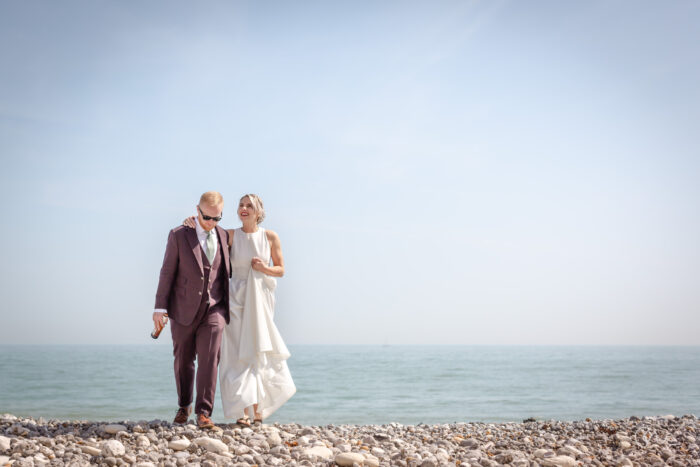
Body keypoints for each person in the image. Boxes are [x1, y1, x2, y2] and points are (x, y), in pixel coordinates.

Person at [184, 194, 295, 426]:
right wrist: (192, 222)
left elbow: (281, 270)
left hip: (261, 300)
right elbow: (206, 235)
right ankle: (244, 412)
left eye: (249, 205)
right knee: (236, 354)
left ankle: (258, 410)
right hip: (234, 299)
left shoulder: (270, 236)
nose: (244, 208)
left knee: (256, 352)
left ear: (258, 211)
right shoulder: (230, 235)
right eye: (241, 205)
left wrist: (264, 267)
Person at [154, 191, 231, 429]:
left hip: (214, 308)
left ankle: (203, 413)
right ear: (197, 210)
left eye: (217, 218)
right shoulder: (178, 234)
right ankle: (184, 405)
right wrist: (160, 307)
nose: (212, 223)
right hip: (183, 308)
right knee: (183, 360)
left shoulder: (225, 235)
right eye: (207, 218)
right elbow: (167, 272)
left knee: (210, 360)